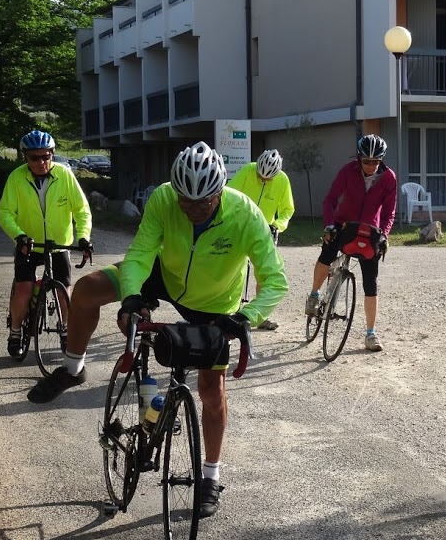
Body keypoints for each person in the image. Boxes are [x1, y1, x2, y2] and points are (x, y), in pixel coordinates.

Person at [27, 142, 287, 519]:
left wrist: (248, 318)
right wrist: (132, 297)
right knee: (85, 290)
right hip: (162, 276)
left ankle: (210, 477)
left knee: (211, 393)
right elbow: (141, 253)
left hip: (214, 301)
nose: (193, 209)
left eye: (204, 203)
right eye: (186, 201)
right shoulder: (165, 199)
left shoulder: (245, 214)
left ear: (219, 192)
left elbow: (275, 280)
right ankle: (72, 368)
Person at [0, 129, 93, 359]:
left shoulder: (65, 175)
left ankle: (64, 331)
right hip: (28, 245)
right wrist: (19, 235)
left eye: (46, 156)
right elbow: (5, 213)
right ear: (25, 158)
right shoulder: (17, 178)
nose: (41, 162)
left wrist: (83, 237)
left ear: (52, 154)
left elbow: (82, 210)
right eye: (35, 157)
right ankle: (16, 332)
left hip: (59, 245)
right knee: (24, 288)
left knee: (64, 295)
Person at [304, 134, 397, 352]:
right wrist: (329, 225)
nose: (371, 166)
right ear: (359, 159)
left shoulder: (389, 178)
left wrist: (384, 234)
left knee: (371, 282)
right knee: (327, 253)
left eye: (376, 161)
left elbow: (389, 212)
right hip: (343, 224)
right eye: (367, 161)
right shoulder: (348, 171)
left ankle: (371, 334)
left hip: (369, 230)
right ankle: (315, 295)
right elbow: (330, 200)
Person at [227, 148, 295, 330]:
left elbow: (287, 210)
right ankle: (227, 309)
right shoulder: (247, 170)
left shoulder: (282, 180)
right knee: (231, 267)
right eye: (260, 176)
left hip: (265, 230)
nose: (263, 179)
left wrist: (278, 225)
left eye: (267, 178)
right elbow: (229, 194)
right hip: (239, 225)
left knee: (264, 274)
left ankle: (260, 315)